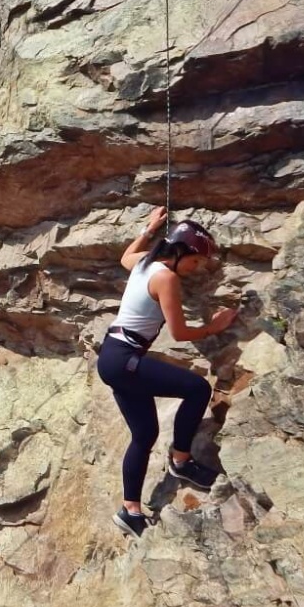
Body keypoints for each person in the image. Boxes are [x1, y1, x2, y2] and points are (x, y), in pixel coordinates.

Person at [97, 207, 237, 539]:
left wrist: (149, 230)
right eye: (196, 260)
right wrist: (213, 326)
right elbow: (179, 333)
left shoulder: (145, 263)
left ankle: (130, 511)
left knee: (144, 436)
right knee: (198, 389)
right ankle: (182, 460)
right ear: (180, 251)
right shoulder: (166, 277)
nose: (197, 267)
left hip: (114, 356)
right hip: (124, 358)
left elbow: (125, 257)